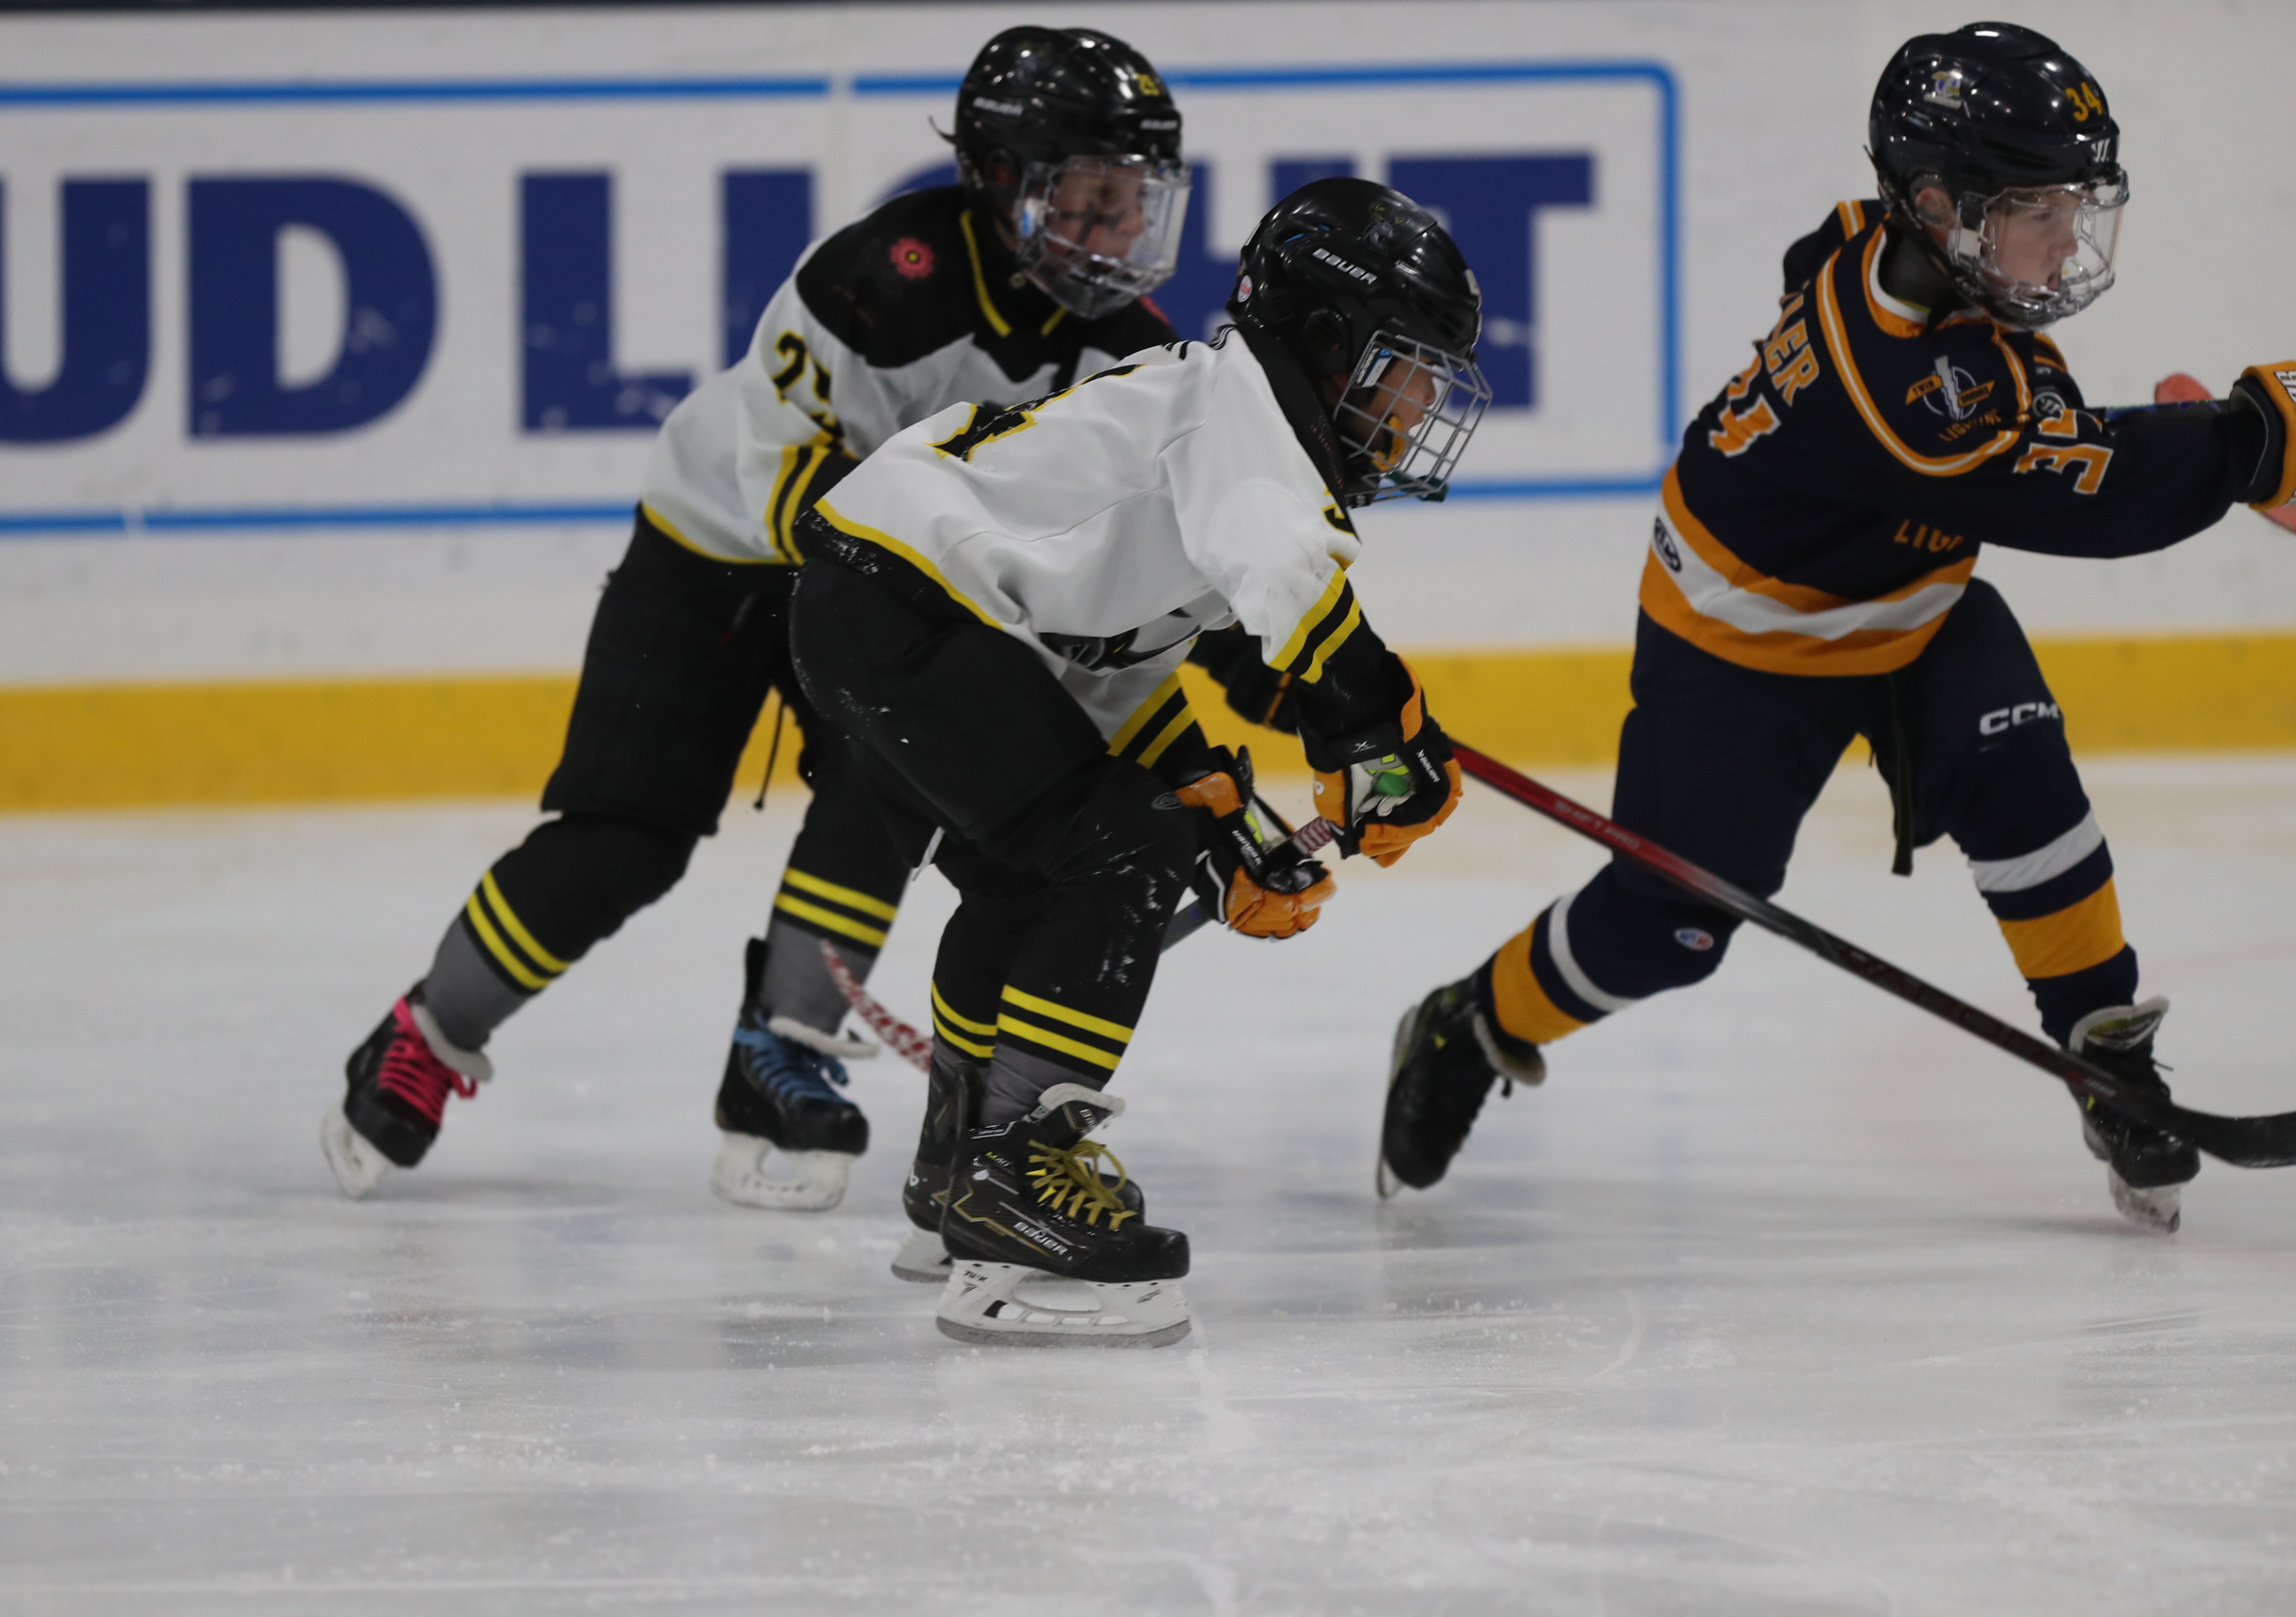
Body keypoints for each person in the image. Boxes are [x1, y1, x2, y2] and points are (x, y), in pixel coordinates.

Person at [1377, 22, 2296, 1233]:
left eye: (2074, 206)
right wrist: (2251, 439)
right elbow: (2086, 497)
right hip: (1742, 645)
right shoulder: (1899, 389)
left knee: (2026, 783)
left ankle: (2103, 1052)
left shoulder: (1900, 262)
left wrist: (2200, 447)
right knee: (1670, 926)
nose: (2066, 238)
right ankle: (1471, 1022)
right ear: (1939, 205)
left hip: (1914, 603)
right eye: (2038, 210)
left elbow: (2030, 444)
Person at [320, 26, 1202, 1211]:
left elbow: (1125, 587)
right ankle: (427, 1031)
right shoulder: (880, 280)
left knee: (893, 779)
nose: (1116, 233)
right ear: (1001, 178)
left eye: (1133, 201)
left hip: (892, 583)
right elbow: (791, 491)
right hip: (721, 550)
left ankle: (778, 1049)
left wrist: (1178, 750)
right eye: (1090, 199)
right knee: (624, 842)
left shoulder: (1134, 362)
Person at [790, 178, 1492, 1343]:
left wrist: (1226, 826)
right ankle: (1018, 1178)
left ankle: (962, 1176)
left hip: (885, 610)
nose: (1420, 406)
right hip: (901, 612)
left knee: (1033, 881)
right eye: (1405, 367)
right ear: (1328, 340)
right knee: (1122, 848)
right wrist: (1380, 736)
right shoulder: (1244, 420)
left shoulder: (1202, 424)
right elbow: (1292, 586)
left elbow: (1104, 675)